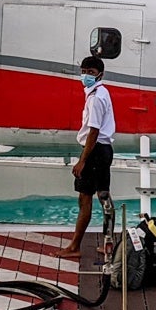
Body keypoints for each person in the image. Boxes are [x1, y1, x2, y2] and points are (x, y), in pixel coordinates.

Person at [60, 55, 115, 260]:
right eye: (84, 71)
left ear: (100, 74)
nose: (85, 76)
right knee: (104, 196)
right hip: (104, 149)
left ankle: (75, 245)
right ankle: (109, 242)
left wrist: (82, 160)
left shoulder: (95, 98)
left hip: (95, 151)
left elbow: (93, 131)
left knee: (85, 198)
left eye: (90, 73)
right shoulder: (101, 92)